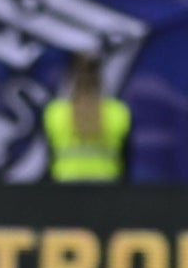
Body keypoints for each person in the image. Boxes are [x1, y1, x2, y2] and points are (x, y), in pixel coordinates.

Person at [43, 55, 132, 183]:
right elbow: (127, 161)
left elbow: (48, 159)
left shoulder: (55, 112)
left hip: (65, 190)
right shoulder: (118, 112)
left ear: (70, 79)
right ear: (100, 79)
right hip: (107, 190)